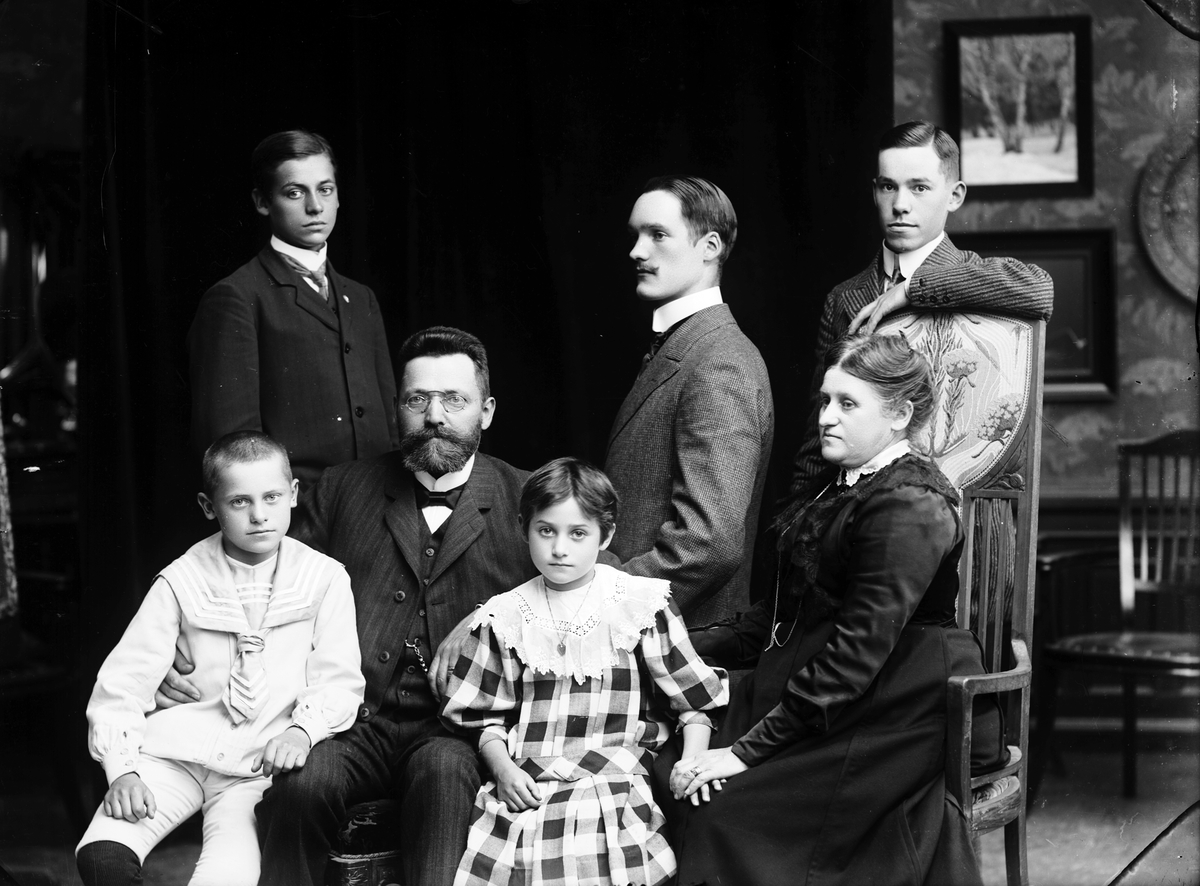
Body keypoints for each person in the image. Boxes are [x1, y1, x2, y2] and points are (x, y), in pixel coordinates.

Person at [157, 326, 538, 886]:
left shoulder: (529, 498)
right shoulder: (343, 488)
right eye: (417, 399)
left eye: (454, 400)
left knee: (443, 784)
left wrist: (489, 616)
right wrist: (179, 642)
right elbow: (254, 571)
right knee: (301, 785)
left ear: (487, 411)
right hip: (351, 723)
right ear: (396, 408)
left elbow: (594, 587)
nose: (434, 416)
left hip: (452, 730)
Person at [664, 334, 1006, 886]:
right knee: (666, 763)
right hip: (825, 688)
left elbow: (857, 654)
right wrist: (667, 641)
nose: (826, 417)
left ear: (900, 415)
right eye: (825, 401)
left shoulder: (910, 504)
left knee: (722, 810)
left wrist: (744, 754)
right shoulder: (840, 488)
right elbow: (778, 618)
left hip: (897, 707)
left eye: (848, 404)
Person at [76, 432, 364, 886]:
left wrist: (302, 731)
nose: (259, 515)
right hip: (173, 757)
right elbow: (123, 682)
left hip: (254, 771)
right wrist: (123, 771)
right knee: (101, 857)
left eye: (271, 497)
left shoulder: (324, 579)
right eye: (239, 502)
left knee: (226, 877)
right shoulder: (180, 580)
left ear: (293, 494)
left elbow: (339, 679)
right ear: (209, 507)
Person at [440, 457, 728, 886]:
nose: (560, 548)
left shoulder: (638, 604)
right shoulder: (505, 616)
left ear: (605, 535)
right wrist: (503, 770)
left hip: (616, 779)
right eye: (546, 531)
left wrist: (692, 761)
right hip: (532, 782)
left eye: (578, 533)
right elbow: (484, 719)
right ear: (524, 529)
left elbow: (694, 702)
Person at [790, 120, 1054, 494]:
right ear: (875, 191)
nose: (900, 205)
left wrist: (912, 290)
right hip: (859, 509)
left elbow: (1040, 288)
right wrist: (796, 520)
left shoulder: (972, 276)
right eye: (888, 187)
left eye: (919, 188)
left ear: (954, 196)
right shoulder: (843, 298)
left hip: (963, 508)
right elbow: (815, 446)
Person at [188, 129, 399, 494]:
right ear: (262, 202)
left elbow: (391, 423)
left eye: (325, 189)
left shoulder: (360, 297)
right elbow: (235, 445)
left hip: (379, 502)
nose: (315, 207)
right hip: (302, 512)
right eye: (295, 192)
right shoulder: (237, 296)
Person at [606, 175, 774, 626]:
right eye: (636, 235)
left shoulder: (719, 360)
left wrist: (600, 605)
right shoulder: (687, 347)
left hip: (680, 643)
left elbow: (708, 544)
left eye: (658, 235)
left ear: (710, 247)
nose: (637, 251)